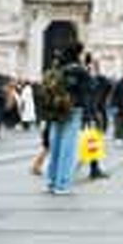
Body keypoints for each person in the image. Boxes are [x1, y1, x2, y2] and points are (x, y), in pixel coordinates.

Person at [44, 43, 90, 195]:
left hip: (56, 110)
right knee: (68, 148)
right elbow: (88, 90)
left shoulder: (59, 69)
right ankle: (62, 184)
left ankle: (51, 180)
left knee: (55, 145)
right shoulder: (79, 71)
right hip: (73, 110)